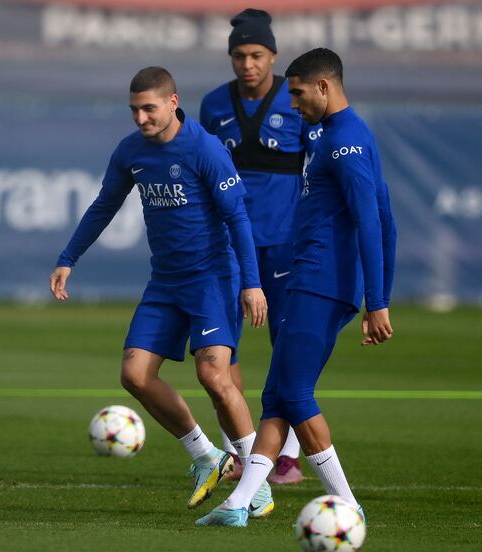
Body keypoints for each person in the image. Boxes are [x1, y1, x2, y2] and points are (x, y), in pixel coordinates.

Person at [50, 66, 274, 519]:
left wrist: (251, 283)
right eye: (134, 109)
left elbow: (238, 220)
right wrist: (67, 258)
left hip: (213, 278)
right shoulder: (131, 151)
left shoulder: (205, 149)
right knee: (134, 375)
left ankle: (258, 485)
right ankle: (208, 457)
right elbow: (103, 206)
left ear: (173, 102)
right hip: (166, 282)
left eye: (148, 108)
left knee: (214, 377)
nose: (140, 118)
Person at [196, 48, 397, 527]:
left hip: (322, 281)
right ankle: (239, 504)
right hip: (311, 276)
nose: (296, 104)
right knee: (278, 396)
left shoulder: (346, 141)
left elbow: (373, 222)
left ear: (324, 87)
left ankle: (348, 506)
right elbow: (386, 217)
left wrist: (379, 301)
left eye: (300, 93)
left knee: (296, 392)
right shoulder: (336, 135)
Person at [199, 8, 319, 485]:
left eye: (256, 54)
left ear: (272, 55)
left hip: (285, 246)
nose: (247, 64)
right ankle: (239, 452)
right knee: (222, 353)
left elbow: (320, 170)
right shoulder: (212, 105)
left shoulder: (297, 102)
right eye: (239, 55)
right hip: (227, 247)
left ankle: (285, 456)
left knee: (287, 350)